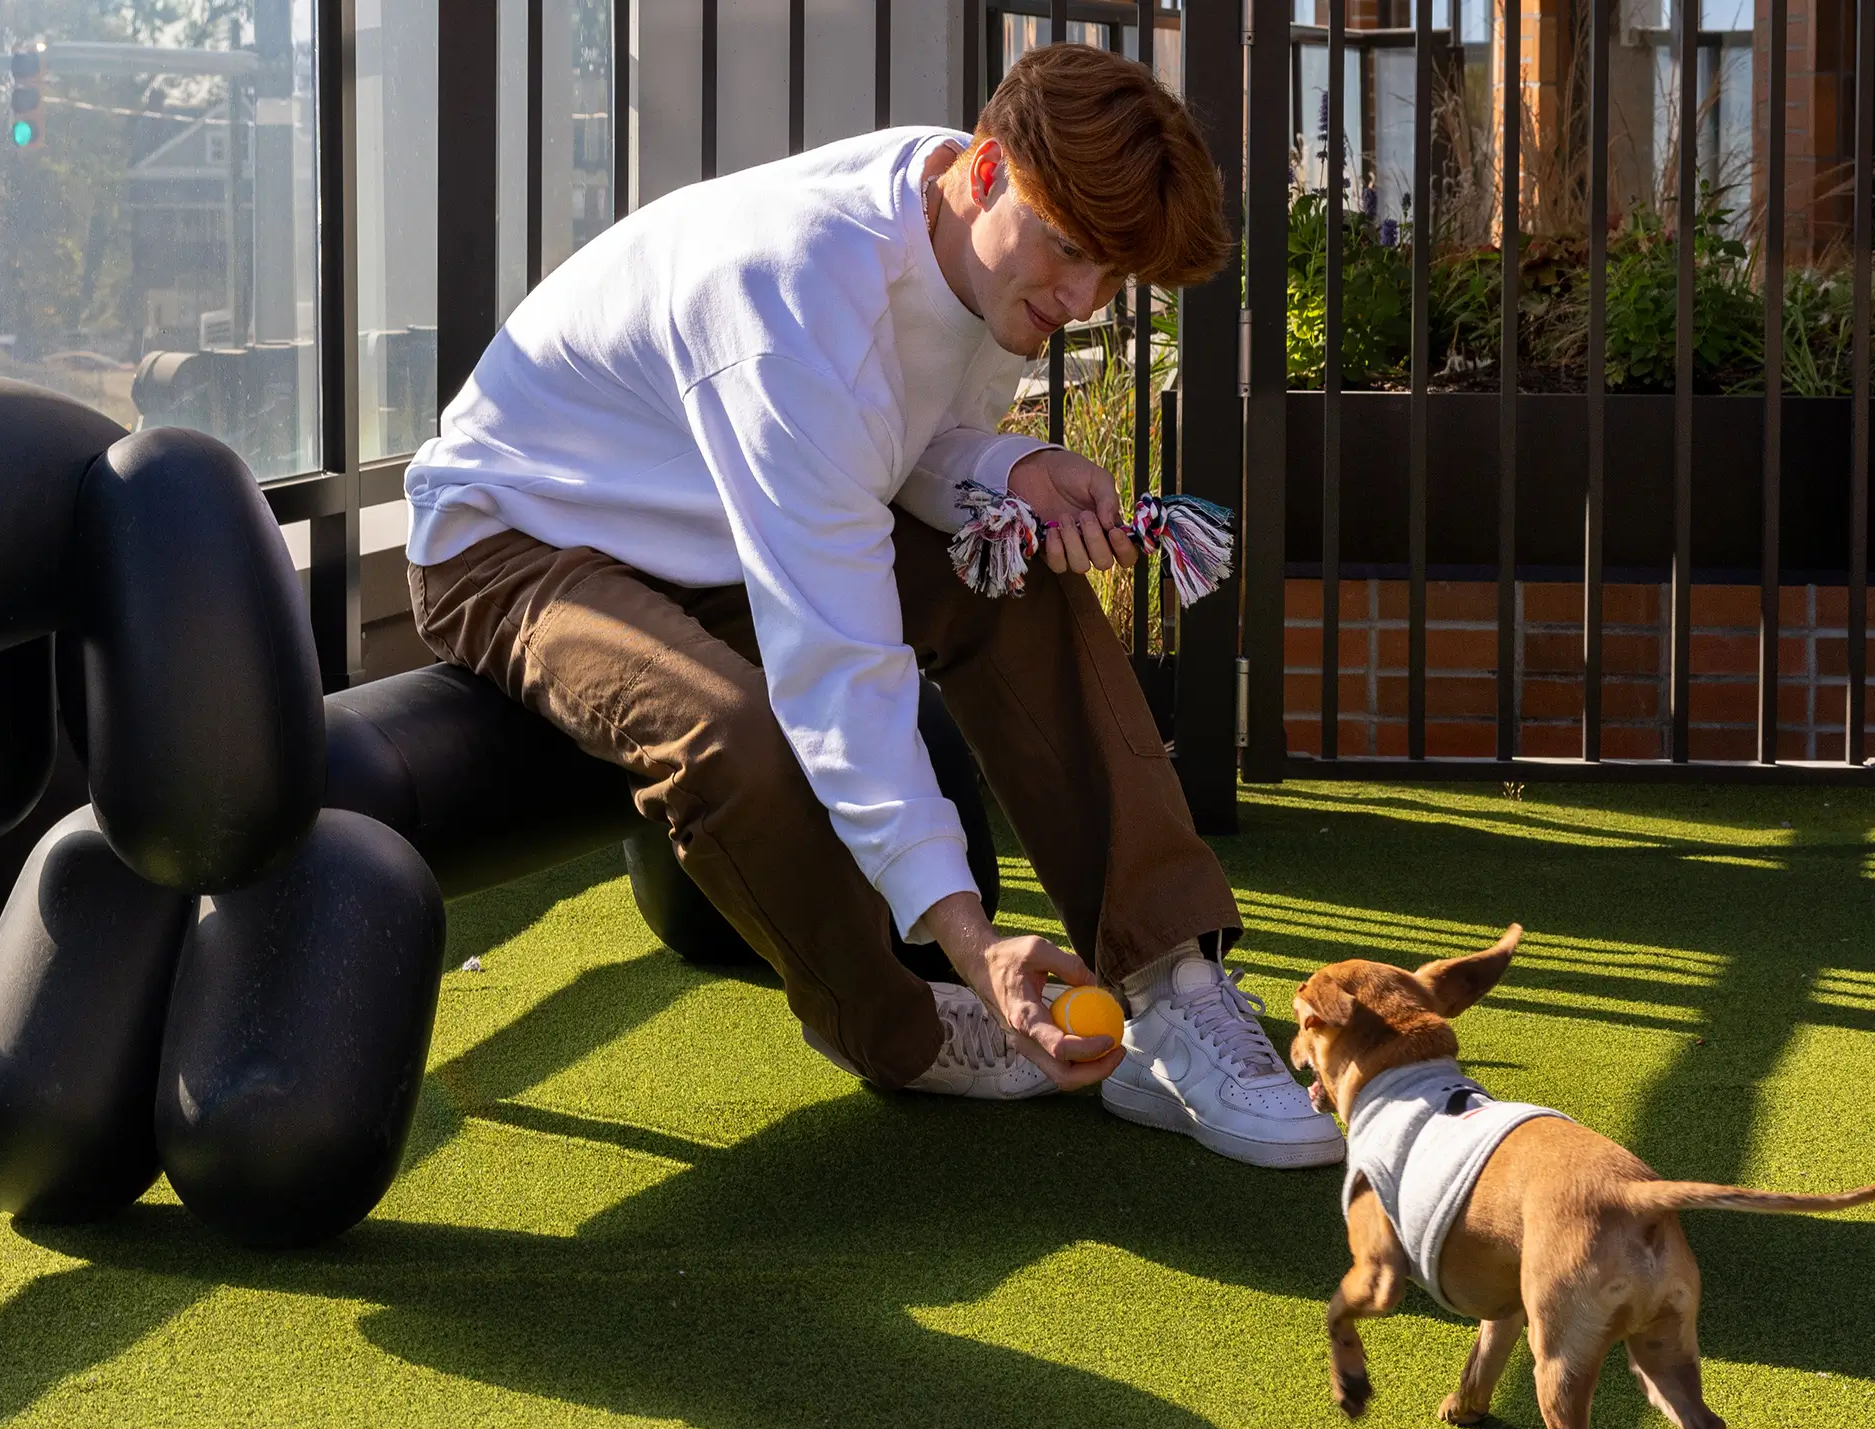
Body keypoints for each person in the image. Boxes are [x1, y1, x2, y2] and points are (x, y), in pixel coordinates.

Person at [404, 44, 1340, 1168]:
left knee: (1011, 565)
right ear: (988, 170)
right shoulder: (791, 296)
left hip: (724, 528)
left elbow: (895, 448)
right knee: (732, 736)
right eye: (1069, 252)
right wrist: (970, 938)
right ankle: (896, 1029)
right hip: (521, 542)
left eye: (1111, 279)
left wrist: (1010, 470)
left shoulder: (961, 240)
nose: (1081, 300)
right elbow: (837, 660)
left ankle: (1169, 978)